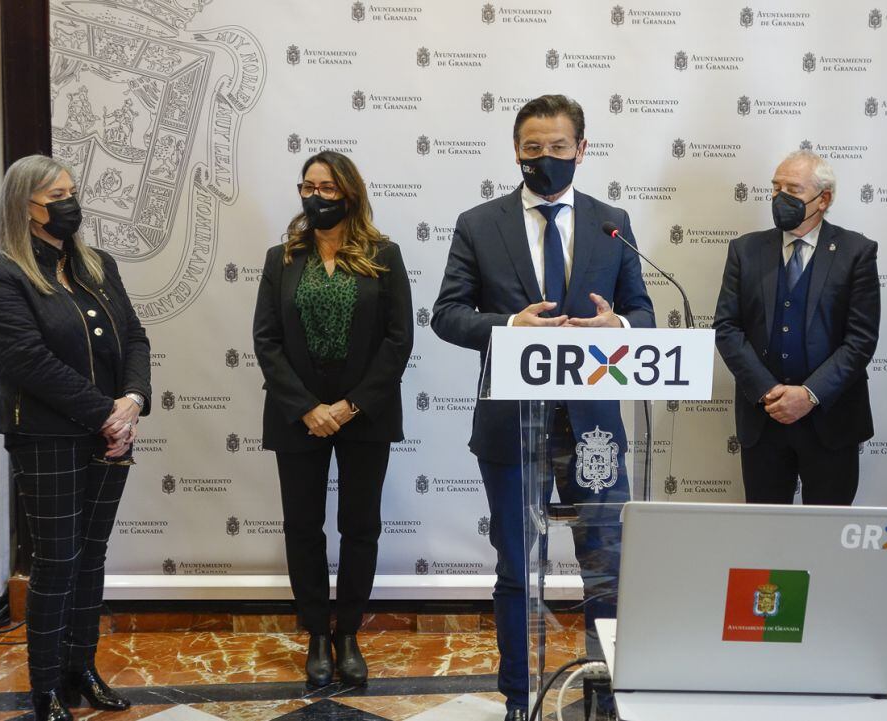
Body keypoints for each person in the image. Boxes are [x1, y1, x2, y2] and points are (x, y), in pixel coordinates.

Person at [432, 94, 654, 721]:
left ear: (582, 150)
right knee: (515, 567)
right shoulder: (480, 223)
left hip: (594, 430)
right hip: (512, 427)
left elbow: (642, 310)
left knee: (606, 566)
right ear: (516, 151)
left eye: (559, 147)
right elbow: (448, 313)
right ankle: (516, 698)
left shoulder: (612, 222)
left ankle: (605, 694)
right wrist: (509, 326)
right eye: (534, 148)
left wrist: (621, 326)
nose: (546, 158)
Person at [0, 154, 151, 721]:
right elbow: (26, 361)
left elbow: (134, 337)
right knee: (57, 561)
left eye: (71, 191)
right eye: (56, 195)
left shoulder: (97, 264)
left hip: (111, 434)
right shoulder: (3, 273)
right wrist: (106, 413)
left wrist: (133, 402)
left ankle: (83, 668)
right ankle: (46, 686)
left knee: (92, 557)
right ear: (26, 208)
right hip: (48, 437)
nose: (69, 203)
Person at [253, 151, 413, 689]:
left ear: (349, 193)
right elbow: (266, 340)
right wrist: (307, 408)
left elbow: (398, 340)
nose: (315, 196)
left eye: (326, 187)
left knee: (359, 526)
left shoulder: (384, 255)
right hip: (298, 415)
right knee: (303, 527)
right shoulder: (282, 258)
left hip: (363, 414)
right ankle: (317, 634)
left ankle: (349, 635)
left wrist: (350, 405)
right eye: (307, 186)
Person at [713, 150, 880, 505]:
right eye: (775, 187)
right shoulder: (746, 249)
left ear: (824, 199)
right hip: (764, 418)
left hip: (831, 421)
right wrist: (768, 391)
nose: (779, 197)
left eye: (792, 188)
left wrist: (809, 395)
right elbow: (727, 328)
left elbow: (860, 340)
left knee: (827, 538)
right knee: (766, 538)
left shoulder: (856, 252)